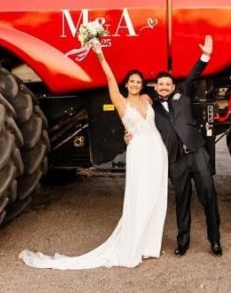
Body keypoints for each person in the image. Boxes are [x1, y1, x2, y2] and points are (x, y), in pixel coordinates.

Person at [18, 39, 169, 269]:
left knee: (156, 197)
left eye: (139, 81)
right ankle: (134, 244)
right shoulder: (121, 101)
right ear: (127, 84)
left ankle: (149, 245)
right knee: (140, 197)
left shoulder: (148, 100)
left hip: (157, 150)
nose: (135, 84)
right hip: (139, 152)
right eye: (132, 81)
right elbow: (109, 77)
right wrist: (99, 54)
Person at [150, 35, 222, 256]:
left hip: (197, 154)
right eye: (160, 84)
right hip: (176, 160)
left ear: (173, 86)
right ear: (156, 87)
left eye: (167, 84)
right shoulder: (151, 107)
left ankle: (215, 241)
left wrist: (205, 55)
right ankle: (183, 242)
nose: (164, 87)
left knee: (208, 196)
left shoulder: (184, 94)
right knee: (181, 201)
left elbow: (194, 75)